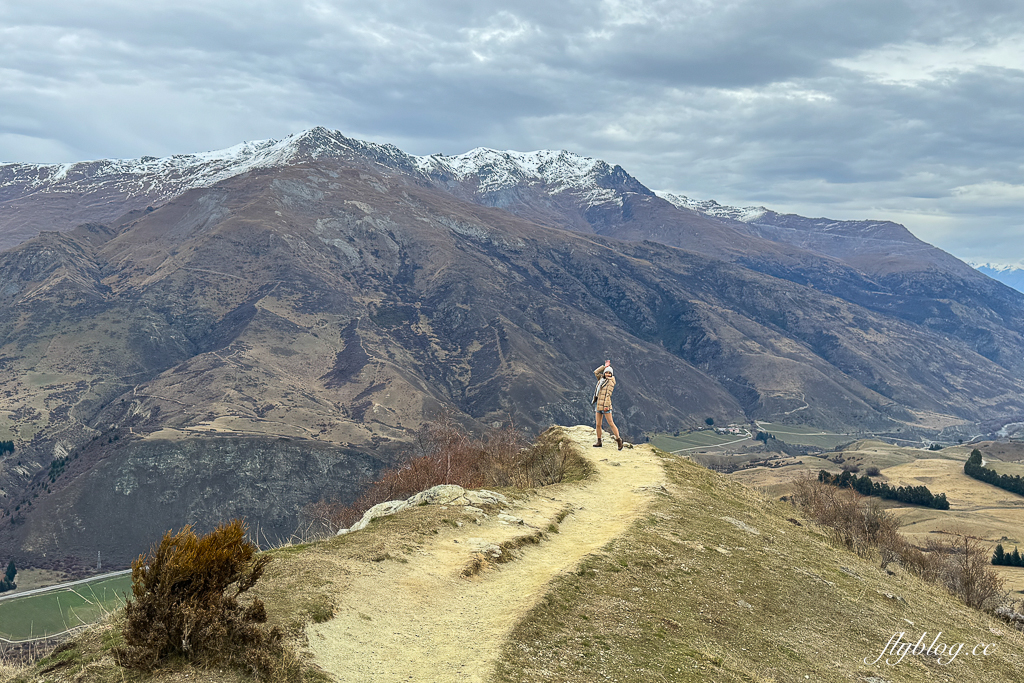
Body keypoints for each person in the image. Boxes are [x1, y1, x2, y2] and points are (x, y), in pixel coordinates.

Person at [592, 360, 623, 450]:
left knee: (611, 423)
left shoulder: (610, 382)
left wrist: (605, 406)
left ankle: (618, 440)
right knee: (598, 424)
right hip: (598, 405)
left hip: (606, 406)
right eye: (607, 373)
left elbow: (608, 395)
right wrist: (604, 367)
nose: (608, 374)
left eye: (610, 373)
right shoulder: (601, 379)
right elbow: (596, 372)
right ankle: (599, 441)